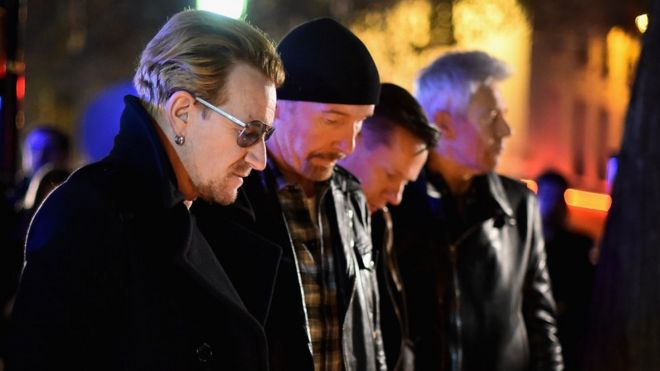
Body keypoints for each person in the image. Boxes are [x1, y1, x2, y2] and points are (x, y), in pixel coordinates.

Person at [7, 10, 284, 371]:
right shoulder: (88, 215)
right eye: (249, 131)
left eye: (267, 134)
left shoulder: (212, 213)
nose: (260, 158)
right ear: (182, 111)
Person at [192, 17, 384, 371]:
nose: (349, 144)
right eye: (333, 120)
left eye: (361, 123)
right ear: (277, 107)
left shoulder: (351, 196)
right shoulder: (227, 197)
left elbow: (372, 330)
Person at [390, 51, 563, 371]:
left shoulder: (518, 205)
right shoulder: (394, 204)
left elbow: (540, 320)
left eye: (504, 115)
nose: (505, 131)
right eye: (490, 117)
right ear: (443, 124)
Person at [339, 82, 440, 371]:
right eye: (390, 175)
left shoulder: (379, 223)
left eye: (406, 183)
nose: (396, 197)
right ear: (352, 140)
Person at [536, 170, 595, 371]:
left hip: (565, 337)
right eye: (547, 196)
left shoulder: (577, 246)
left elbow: (584, 295)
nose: (550, 204)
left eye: (555, 197)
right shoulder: (521, 244)